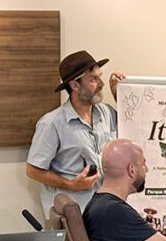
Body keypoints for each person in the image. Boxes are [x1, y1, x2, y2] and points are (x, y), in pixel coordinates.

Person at [26, 50, 125, 220]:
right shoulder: (52, 123)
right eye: (93, 79)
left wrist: (120, 96)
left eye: (100, 77)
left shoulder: (107, 113)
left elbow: (136, 133)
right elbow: (33, 170)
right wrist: (71, 184)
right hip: (78, 215)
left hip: (108, 210)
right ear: (74, 85)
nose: (101, 84)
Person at [82, 139, 166, 241]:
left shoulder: (99, 205)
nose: (147, 169)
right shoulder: (114, 211)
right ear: (132, 170)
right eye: (143, 164)